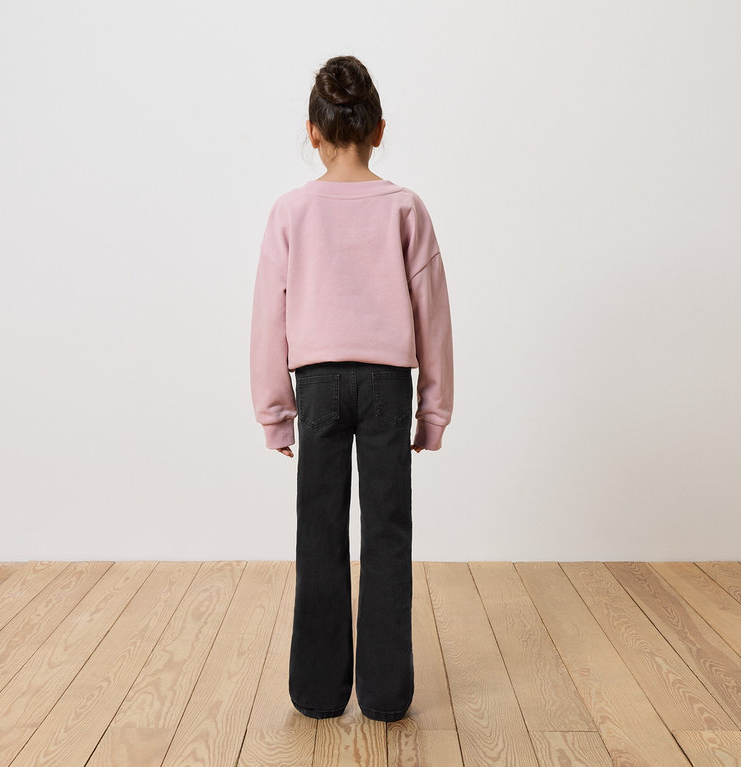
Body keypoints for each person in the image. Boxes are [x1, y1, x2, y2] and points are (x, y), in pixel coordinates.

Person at [249, 54, 453, 723]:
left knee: (320, 532)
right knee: (389, 534)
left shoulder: (291, 210)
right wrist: (434, 410)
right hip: (388, 385)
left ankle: (316, 691)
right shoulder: (404, 207)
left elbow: (268, 316)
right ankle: (387, 694)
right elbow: (433, 313)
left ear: (313, 131)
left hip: (317, 384)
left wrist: (276, 414)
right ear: (379, 128)